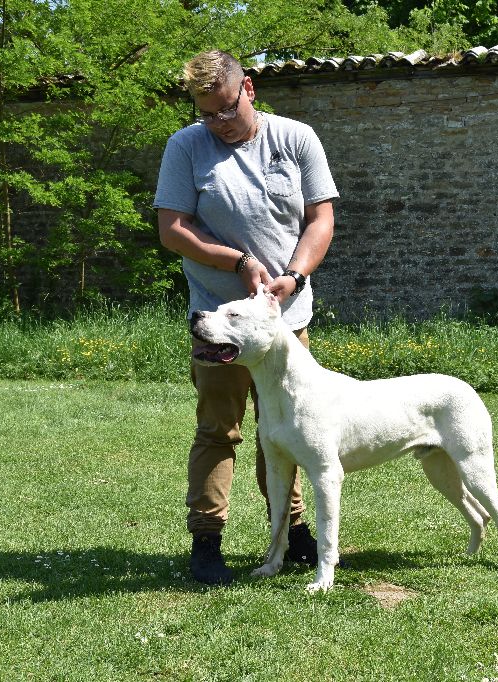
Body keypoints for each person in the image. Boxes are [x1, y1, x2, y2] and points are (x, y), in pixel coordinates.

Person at [153, 50, 338, 585]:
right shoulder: (185, 147)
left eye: (225, 110)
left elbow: (320, 218)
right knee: (218, 429)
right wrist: (236, 260)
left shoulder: (296, 138)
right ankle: (206, 542)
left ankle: (292, 532)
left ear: (249, 90)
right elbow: (172, 230)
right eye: (204, 113)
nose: (215, 123)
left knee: (285, 429)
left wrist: (296, 275)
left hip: (285, 319)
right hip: (219, 321)